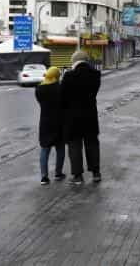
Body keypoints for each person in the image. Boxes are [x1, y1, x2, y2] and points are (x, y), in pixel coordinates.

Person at [61, 50, 101, 185]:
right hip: (90, 116)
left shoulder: (69, 76)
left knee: (74, 147)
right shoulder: (96, 75)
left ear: (74, 61)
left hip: (73, 119)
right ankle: (96, 173)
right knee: (92, 145)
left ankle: (78, 176)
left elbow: (63, 98)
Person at [35, 66, 66, 185]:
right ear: (56, 76)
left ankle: (44, 177)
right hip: (59, 121)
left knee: (44, 149)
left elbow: (40, 103)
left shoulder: (39, 89)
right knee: (60, 148)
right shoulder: (60, 88)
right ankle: (58, 173)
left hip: (45, 122)